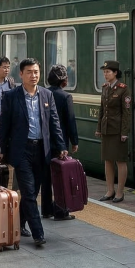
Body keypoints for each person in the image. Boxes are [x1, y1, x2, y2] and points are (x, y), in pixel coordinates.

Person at [0, 58, 67, 247]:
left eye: (36, 72)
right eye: (29, 72)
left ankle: (17, 224)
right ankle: (38, 234)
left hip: (42, 150)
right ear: (21, 74)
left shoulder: (46, 95)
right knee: (28, 192)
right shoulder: (11, 96)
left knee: (33, 192)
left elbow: (54, 123)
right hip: (22, 150)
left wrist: (61, 146)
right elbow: (5, 126)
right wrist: (0, 149)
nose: (33, 76)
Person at [43, 64, 78, 221]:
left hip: (43, 141)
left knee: (46, 177)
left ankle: (45, 209)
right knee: (60, 177)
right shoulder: (65, 97)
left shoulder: (43, 94)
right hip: (60, 142)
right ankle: (60, 210)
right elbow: (70, 121)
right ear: (63, 81)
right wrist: (74, 141)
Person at [95, 60, 130, 203]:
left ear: (115, 73)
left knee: (120, 161)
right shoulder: (105, 88)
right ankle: (110, 190)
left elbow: (126, 113)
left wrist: (124, 132)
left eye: (108, 72)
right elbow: (102, 110)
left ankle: (120, 192)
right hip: (106, 129)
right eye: (104, 72)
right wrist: (98, 128)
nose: (105, 74)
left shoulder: (123, 89)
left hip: (117, 130)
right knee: (108, 160)